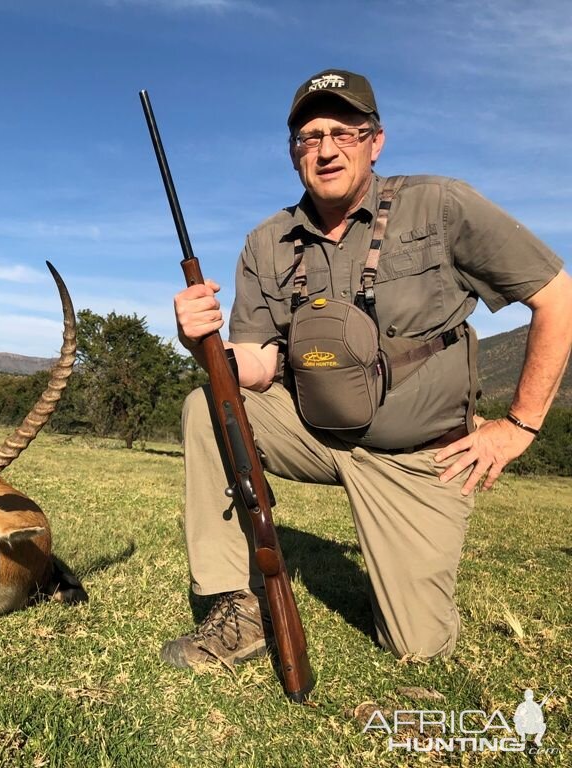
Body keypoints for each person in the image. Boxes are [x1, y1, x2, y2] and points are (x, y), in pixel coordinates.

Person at [162, 68, 572, 670]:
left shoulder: (442, 205)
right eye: (308, 137)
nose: (325, 149)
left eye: (343, 132)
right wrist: (204, 345)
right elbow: (257, 363)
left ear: (375, 141)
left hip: (417, 456)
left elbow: (556, 297)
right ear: (293, 152)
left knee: (416, 648)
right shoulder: (266, 242)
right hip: (315, 434)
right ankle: (239, 606)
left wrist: (521, 426)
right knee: (210, 405)